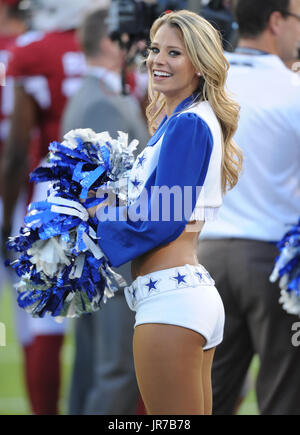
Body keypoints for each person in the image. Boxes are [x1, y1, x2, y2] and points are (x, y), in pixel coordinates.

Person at [86, 9, 242, 414]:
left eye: (175, 53)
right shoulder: (182, 121)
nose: (158, 60)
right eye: (155, 49)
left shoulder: (187, 125)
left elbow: (163, 218)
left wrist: (91, 228)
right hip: (182, 298)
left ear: (200, 64)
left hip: (171, 302)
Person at [197, 0, 300, 415]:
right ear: (276, 21)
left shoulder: (206, 82)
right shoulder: (291, 89)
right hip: (272, 259)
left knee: (208, 396)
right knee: (284, 393)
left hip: (203, 255)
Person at [1, 0, 101, 415]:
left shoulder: (32, 51)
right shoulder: (125, 47)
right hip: (110, 194)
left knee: (42, 315)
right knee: (117, 321)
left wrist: (10, 215)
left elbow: (17, 150)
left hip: (52, 193)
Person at [61, 8, 149, 415]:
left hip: (98, 258)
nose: (142, 47)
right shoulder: (102, 103)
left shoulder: (101, 94)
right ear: (110, 42)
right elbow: (104, 199)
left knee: (94, 368)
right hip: (110, 259)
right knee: (115, 371)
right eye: (130, 38)